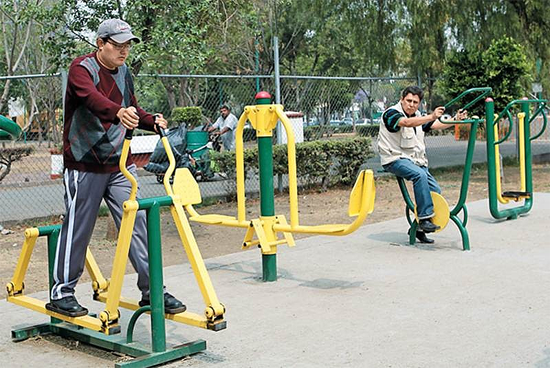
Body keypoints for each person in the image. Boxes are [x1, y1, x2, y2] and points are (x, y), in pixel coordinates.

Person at [46, 19, 185, 317]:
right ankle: (62, 293)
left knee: (136, 224)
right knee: (79, 226)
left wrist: (151, 121)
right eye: (118, 45)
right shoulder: (82, 69)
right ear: (100, 43)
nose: (124, 52)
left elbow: (132, 107)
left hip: (119, 163)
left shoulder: (124, 73)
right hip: (85, 162)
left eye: (127, 46)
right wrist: (119, 112)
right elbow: (93, 100)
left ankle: (152, 290)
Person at [378, 86, 467, 244]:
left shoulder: (418, 116)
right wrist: (431, 116)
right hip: (394, 158)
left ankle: (418, 229)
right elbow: (405, 122)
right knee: (419, 176)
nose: (411, 105)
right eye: (408, 101)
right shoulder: (391, 113)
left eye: (415, 102)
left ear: (419, 104)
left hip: (414, 160)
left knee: (435, 191)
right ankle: (424, 219)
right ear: (402, 99)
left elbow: (434, 125)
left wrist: (455, 120)